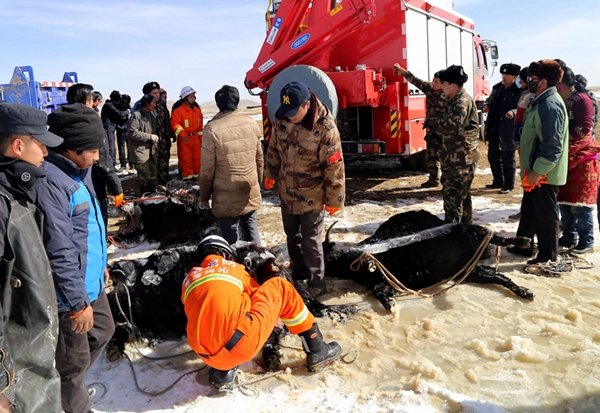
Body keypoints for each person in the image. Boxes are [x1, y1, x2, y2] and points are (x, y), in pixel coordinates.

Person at [37, 103, 116, 413]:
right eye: (92, 149)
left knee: (104, 330)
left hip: (91, 281)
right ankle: (72, 401)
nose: (97, 156)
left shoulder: (80, 171)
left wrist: (102, 264)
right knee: (73, 364)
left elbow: (89, 228)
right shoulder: (51, 182)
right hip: (71, 293)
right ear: (68, 148)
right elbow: (58, 248)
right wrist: (75, 303)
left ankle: (71, 387)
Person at [182, 235, 341, 388]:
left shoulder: (188, 279)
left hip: (205, 356)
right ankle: (318, 349)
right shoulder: (233, 268)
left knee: (214, 314)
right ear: (224, 254)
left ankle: (223, 374)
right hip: (238, 348)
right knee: (280, 287)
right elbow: (260, 297)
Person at [0, 103, 62, 412]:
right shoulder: (1, 203)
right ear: (18, 146)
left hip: (33, 365)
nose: (46, 153)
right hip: (16, 380)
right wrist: (1, 387)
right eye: (41, 144)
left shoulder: (17, 193)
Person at [264, 81, 345, 297]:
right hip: (287, 192)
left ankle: (317, 282)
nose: (290, 117)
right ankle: (298, 272)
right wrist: (270, 174)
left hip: (313, 196)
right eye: (287, 111)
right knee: (292, 235)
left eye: (294, 112)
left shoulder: (325, 128)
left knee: (311, 240)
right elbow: (273, 149)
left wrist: (335, 200)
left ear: (307, 104)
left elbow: (334, 166)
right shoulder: (282, 118)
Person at [517, 59, 568, 265]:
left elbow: (552, 145)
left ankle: (548, 256)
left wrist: (538, 171)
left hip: (544, 173)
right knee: (535, 210)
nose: (529, 81)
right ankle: (528, 245)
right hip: (535, 170)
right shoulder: (539, 100)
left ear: (544, 81)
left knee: (546, 215)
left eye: (533, 79)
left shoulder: (550, 105)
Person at [199, 85, 263, 245]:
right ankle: (260, 265)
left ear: (219, 103)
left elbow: (207, 169)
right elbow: (259, 158)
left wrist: (204, 196)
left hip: (225, 192)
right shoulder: (251, 123)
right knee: (251, 228)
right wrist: (258, 181)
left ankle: (234, 267)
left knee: (231, 237)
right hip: (249, 186)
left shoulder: (212, 129)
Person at [428, 65, 480, 224]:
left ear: (453, 85)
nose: (441, 87)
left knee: (453, 201)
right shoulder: (453, 100)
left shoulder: (462, 101)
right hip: (455, 159)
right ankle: (466, 234)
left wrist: (433, 122)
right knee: (462, 199)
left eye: (443, 84)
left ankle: (453, 237)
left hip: (460, 160)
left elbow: (452, 125)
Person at [66, 83, 124, 226]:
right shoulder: (92, 123)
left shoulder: (60, 121)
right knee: (97, 223)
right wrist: (116, 188)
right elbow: (102, 160)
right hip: (92, 186)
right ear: (86, 102)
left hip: (67, 189)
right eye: (92, 100)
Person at [556, 66, 599, 254]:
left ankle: (586, 241)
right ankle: (569, 236)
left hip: (582, 158)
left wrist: (565, 140)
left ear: (564, 83)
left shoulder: (582, 100)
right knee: (565, 202)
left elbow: (583, 131)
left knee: (580, 206)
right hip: (567, 156)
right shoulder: (566, 99)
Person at [393, 64, 445, 188]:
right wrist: (403, 72)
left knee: (445, 158)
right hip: (432, 131)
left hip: (444, 131)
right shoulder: (429, 88)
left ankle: (446, 182)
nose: (433, 83)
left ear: (443, 84)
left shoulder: (449, 95)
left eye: (436, 82)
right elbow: (415, 80)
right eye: (433, 80)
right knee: (431, 156)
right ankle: (433, 179)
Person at [482, 63, 521, 194]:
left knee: (508, 158)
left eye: (507, 75)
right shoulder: (497, 88)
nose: (504, 77)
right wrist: (487, 104)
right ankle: (498, 180)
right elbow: (490, 99)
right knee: (493, 157)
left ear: (514, 76)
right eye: (502, 74)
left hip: (508, 129)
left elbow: (523, 107)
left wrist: (514, 112)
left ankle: (509, 184)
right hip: (494, 128)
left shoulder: (518, 91)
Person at [136, 82, 175, 185]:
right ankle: (153, 186)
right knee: (152, 165)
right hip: (150, 142)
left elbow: (166, 121)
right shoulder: (142, 107)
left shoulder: (161, 106)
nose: (157, 95)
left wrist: (171, 133)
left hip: (163, 141)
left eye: (158, 92)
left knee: (164, 162)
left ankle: (163, 183)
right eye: (154, 93)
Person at [128, 94, 160, 195]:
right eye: (153, 102)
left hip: (151, 152)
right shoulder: (137, 115)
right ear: (147, 103)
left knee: (153, 178)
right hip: (140, 152)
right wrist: (149, 137)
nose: (155, 105)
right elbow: (133, 132)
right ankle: (145, 201)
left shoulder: (152, 114)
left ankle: (152, 200)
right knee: (145, 179)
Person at [171, 86, 203, 179]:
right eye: (191, 96)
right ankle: (187, 179)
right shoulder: (178, 111)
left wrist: (201, 139)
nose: (194, 98)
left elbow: (200, 127)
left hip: (195, 139)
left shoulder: (197, 111)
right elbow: (174, 124)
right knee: (186, 160)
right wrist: (183, 135)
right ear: (185, 98)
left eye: (194, 96)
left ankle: (197, 177)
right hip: (184, 140)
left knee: (197, 159)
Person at [101, 90, 129, 167]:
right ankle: (111, 164)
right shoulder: (109, 105)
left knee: (113, 147)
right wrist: (127, 111)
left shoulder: (110, 104)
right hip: (108, 128)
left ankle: (112, 163)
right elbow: (120, 114)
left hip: (112, 128)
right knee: (111, 147)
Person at [115, 94, 132, 171]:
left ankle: (128, 164)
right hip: (122, 129)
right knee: (123, 148)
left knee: (128, 147)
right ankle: (124, 164)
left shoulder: (127, 109)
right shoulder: (125, 109)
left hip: (125, 129)